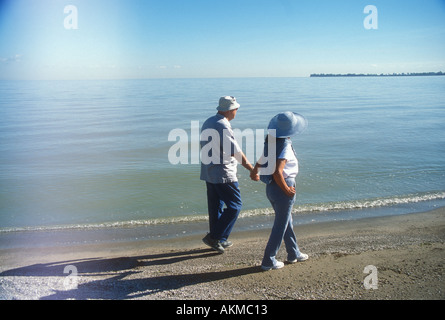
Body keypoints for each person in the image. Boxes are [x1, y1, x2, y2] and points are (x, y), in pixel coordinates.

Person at [250, 111, 309, 270]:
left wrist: (255, 171)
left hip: (270, 187)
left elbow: (263, 158)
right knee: (280, 225)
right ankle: (268, 260)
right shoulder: (286, 145)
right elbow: (277, 171)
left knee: (286, 221)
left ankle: (293, 253)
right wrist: (287, 189)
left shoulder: (270, 140)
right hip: (283, 185)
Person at [200, 96, 255, 253]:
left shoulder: (209, 121)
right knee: (235, 206)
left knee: (216, 207)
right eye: (236, 109)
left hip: (209, 171)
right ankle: (214, 237)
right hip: (223, 172)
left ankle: (219, 239)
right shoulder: (223, 125)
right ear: (230, 110)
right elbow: (236, 152)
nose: (236, 111)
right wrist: (251, 169)